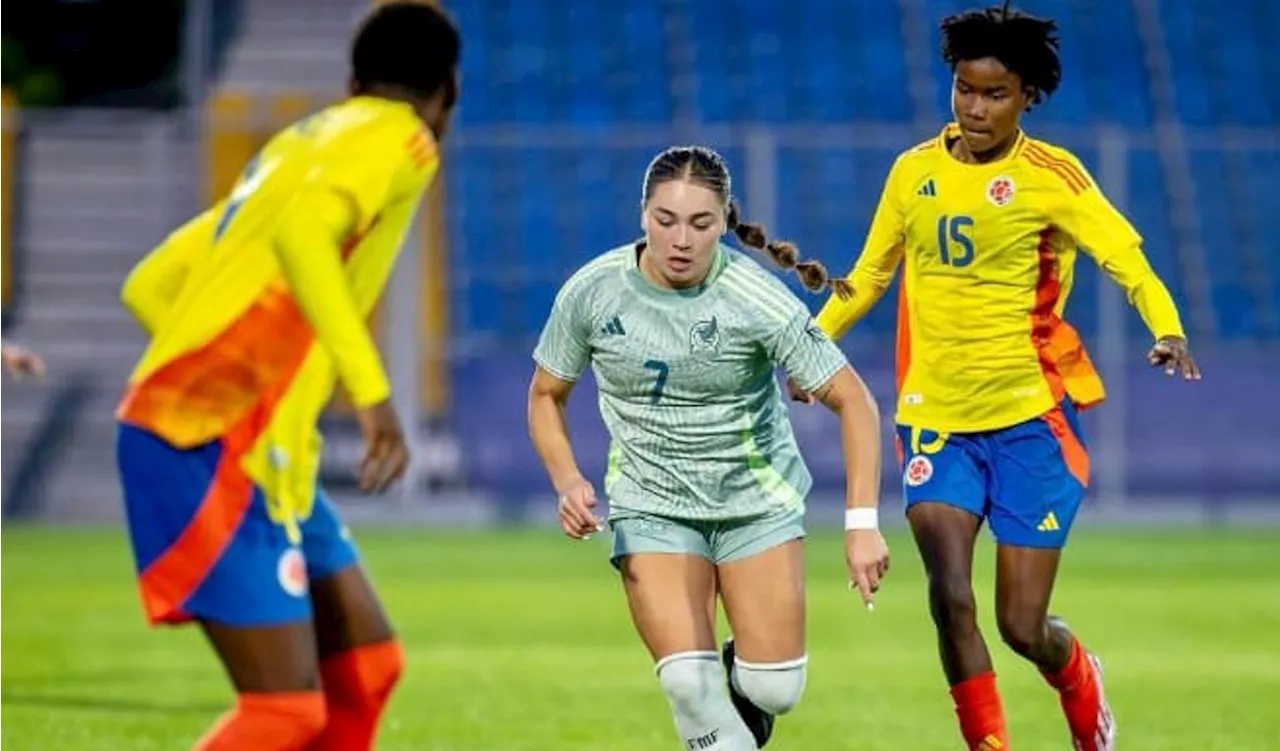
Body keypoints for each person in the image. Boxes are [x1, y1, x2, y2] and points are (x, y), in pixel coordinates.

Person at [792, 4, 1199, 750]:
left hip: (1028, 424)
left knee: (1020, 624)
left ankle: (1077, 672)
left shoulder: (1052, 178)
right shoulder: (914, 172)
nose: (975, 108)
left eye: (994, 94)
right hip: (935, 419)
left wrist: (1165, 326)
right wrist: (812, 346)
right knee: (950, 595)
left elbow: (1126, 259)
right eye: (964, 90)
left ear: (1026, 96)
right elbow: (870, 276)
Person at [112, 3, 460, 749]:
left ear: (353, 78)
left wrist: (252, 381)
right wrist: (372, 397)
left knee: (367, 668)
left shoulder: (299, 144)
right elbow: (306, 237)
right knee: (283, 712)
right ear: (448, 92)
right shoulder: (406, 140)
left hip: (256, 446)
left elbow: (149, 283)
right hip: (207, 442)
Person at [527, 145, 889, 751]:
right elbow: (544, 394)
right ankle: (710, 701)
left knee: (775, 690)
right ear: (642, 215)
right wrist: (567, 480)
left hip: (754, 504)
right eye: (666, 220)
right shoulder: (592, 293)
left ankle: (741, 671)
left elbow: (855, 402)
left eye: (701, 224)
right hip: (651, 505)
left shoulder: (756, 299)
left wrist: (861, 525)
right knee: (691, 690)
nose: (682, 239)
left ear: (725, 223)